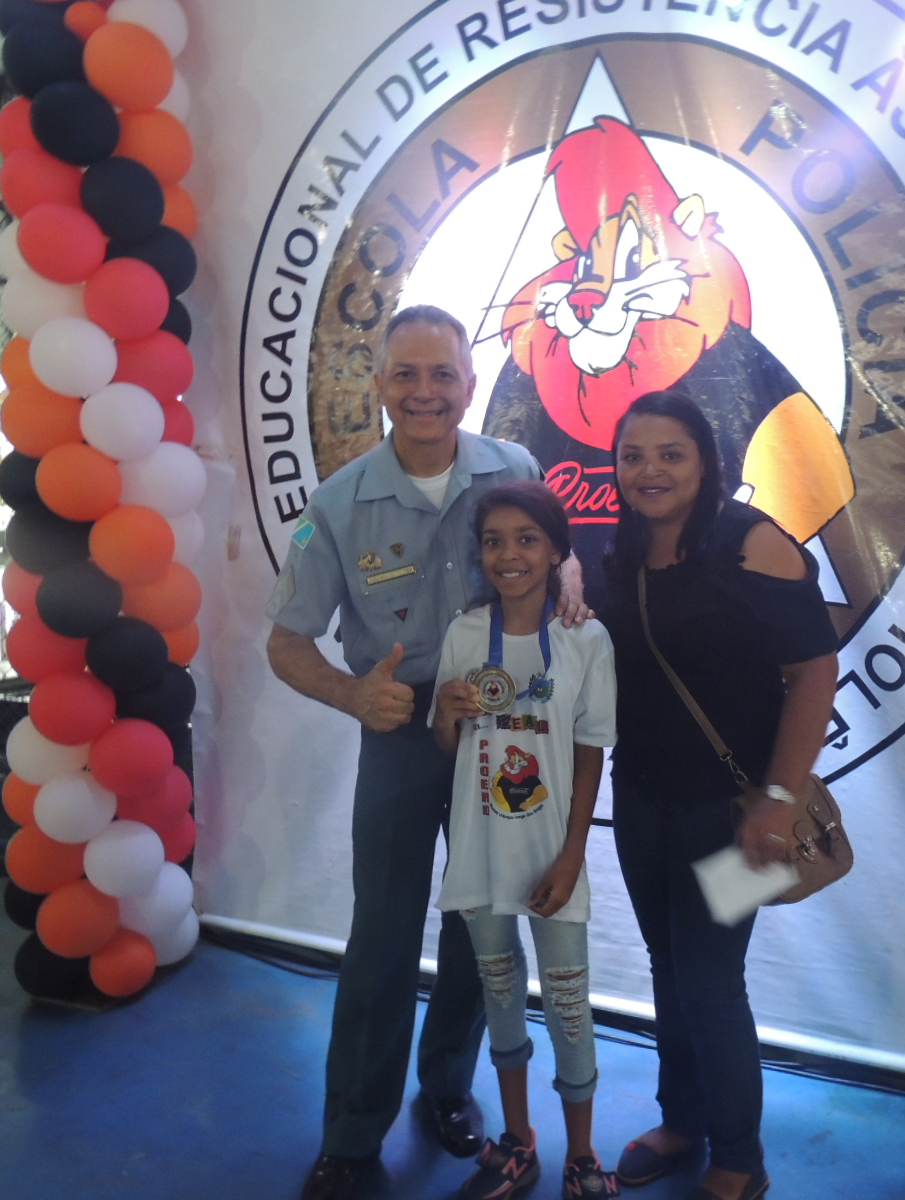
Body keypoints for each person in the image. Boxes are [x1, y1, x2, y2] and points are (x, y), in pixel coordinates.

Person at [265, 305, 586, 1200]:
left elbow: (558, 553)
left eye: (442, 374)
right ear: (379, 386)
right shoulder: (337, 506)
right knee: (382, 936)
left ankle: (448, 1086)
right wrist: (352, 694)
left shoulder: (514, 470)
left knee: (481, 924)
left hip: (501, 737)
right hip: (401, 733)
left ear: (469, 385)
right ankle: (350, 1133)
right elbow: (286, 643)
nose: (424, 392)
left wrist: (568, 571)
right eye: (405, 374)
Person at [594, 391, 837, 1200]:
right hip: (643, 799)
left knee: (709, 978)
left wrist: (780, 798)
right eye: (634, 456)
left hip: (734, 816)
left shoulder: (750, 541)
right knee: (669, 966)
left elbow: (814, 672)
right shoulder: (622, 548)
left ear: (705, 460)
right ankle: (682, 1121)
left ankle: (739, 1157)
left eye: (671, 454)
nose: (650, 471)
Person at [431, 481, 620, 1200]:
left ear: (556, 551)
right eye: (494, 541)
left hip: (551, 859)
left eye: (526, 539)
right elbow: (449, 745)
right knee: (501, 996)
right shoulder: (463, 634)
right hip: (481, 855)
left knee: (570, 1006)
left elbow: (592, 751)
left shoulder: (585, 638)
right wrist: (446, 714)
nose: (508, 555)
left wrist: (574, 856)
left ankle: (582, 1155)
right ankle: (519, 1140)